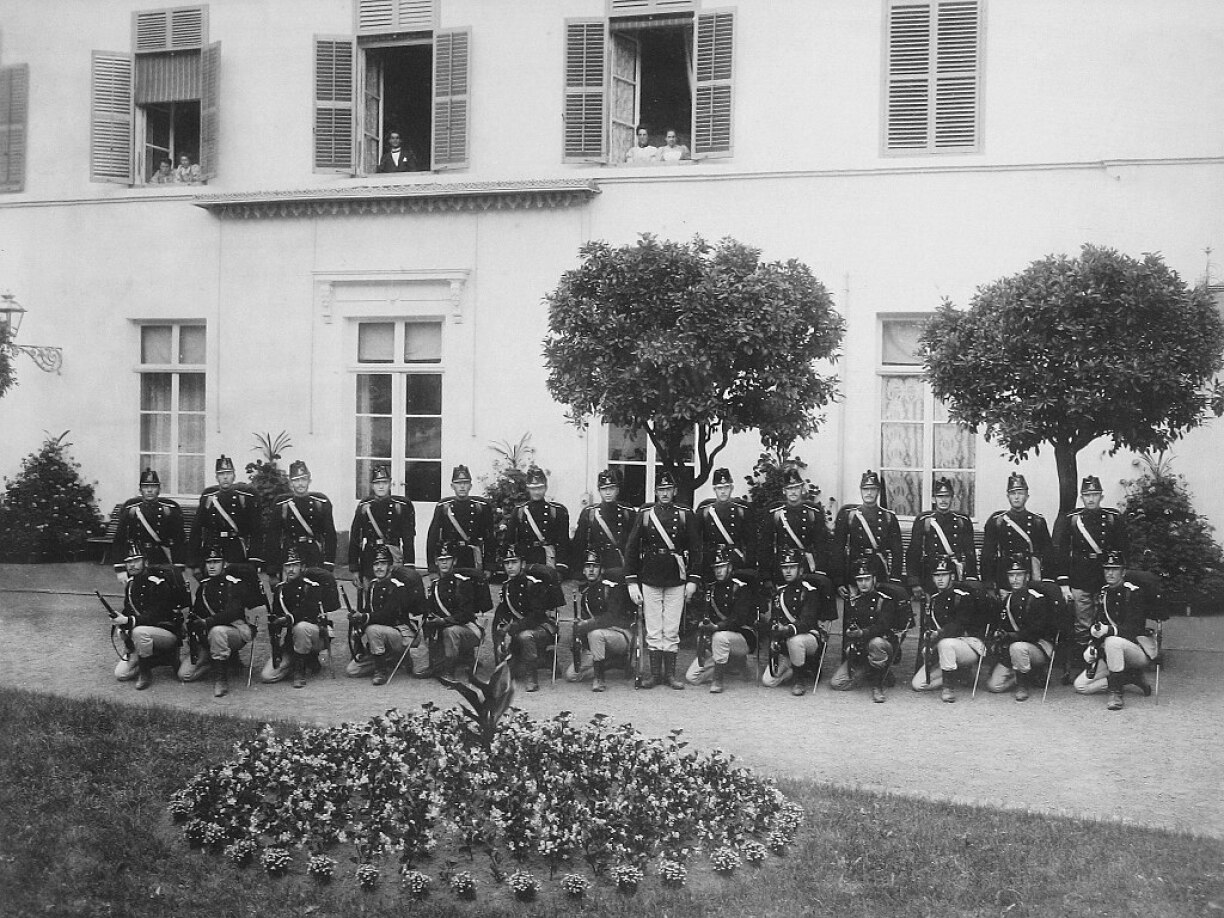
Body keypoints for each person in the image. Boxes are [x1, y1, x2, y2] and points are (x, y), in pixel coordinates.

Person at [624, 469, 703, 690]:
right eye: (661, 489)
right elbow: (631, 548)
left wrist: (693, 580)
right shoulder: (646, 514)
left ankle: (670, 675)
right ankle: (655, 675)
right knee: (653, 628)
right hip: (650, 575)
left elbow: (696, 549)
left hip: (676, 577)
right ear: (656, 491)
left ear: (675, 491)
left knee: (671, 628)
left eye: (668, 489)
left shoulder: (686, 514)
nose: (665, 493)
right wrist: (631, 581)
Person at [1052, 475, 1129, 679]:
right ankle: (1083, 663)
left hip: (1106, 577)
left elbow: (1123, 549)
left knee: (1106, 618)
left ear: (1101, 496)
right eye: (1087, 495)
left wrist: (1120, 577)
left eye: (1094, 494)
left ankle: (1106, 660)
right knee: (1082, 622)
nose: (1091, 499)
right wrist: (1064, 583)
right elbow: (1062, 552)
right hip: (1080, 576)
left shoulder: (1113, 518)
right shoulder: (1073, 519)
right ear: (1081, 497)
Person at [1074, 551, 1159, 710]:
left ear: (1123, 572)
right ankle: (1128, 678)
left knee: (1113, 641)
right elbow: (1100, 625)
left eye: (1114, 569)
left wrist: (1109, 630)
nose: (1110, 573)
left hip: (1135, 651)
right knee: (1081, 686)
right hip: (1112, 654)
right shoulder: (1103, 593)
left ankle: (1116, 692)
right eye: (1107, 569)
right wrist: (1093, 644)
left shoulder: (1134, 592)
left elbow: (1135, 628)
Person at [178, 543, 260, 697]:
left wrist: (207, 622)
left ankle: (221, 679)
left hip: (234, 633)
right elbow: (197, 613)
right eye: (209, 562)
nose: (212, 566)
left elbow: (233, 612)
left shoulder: (235, 584)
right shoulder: (204, 586)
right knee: (184, 675)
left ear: (225, 564)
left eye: (216, 562)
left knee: (217, 631)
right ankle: (214, 662)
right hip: (210, 637)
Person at [110, 542, 186, 690]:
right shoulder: (131, 584)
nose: (132, 565)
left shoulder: (158, 583)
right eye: (128, 562)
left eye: (136, 560)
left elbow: (157, 615)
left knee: (138, 632)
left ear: (146, 562)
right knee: (121, 674)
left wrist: (129, 621)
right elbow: (129, 609)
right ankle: (154, 660)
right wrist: (120, 621)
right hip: (144, 635)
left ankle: (146, 673)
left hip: (166, 633)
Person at [984, 554, 1059, 701]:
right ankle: (1028, 674)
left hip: (1038, 647)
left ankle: (1022, 686)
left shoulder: (1038, 598)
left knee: (1018, 647)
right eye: (1011, 575)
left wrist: (1013, 636)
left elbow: (1038, 631)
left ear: (1027, 576)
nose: (1015, 579)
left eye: (1019, 574)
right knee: (994, 686)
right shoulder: (1007, 599)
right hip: (1015, 648)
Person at [910, 556, 985, 703]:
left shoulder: (963, 596)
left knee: (946, 644)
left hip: (967, 645)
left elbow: (959, 626)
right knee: (918, 684)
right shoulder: (934, 599)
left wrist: (938, 634)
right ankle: (956, 674)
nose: (940, 579)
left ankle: (948, 688)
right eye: (937, 575)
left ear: (952, 576)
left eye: (944, 575)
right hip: (945, 648)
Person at [763, 548, 835, 696]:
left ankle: (799, 680)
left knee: (795, 641)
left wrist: (786, 630)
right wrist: (772, 628)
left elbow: (807, 622)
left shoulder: (810, 591)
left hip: (808, 639)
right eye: (784, 568)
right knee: (768, 681)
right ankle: (798, 667)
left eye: (792, 567)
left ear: (800, 569)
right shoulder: (780, 593)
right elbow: (774, 619)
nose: (788, 571)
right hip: (786, 642)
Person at [830, 559, 905, 702]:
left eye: (867, 579)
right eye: (859, 580)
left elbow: (882, 626)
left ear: (874, 579)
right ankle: (875, 671)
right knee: (837, 683)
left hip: (884, 646)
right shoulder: (854, 602)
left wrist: (862, 633)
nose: (863, 583)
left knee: (876, 643)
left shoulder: (885, 601)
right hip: (862, 650)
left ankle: (877, 686)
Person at [343, 545, 419, 685]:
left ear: (390, 567)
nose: (379, 568)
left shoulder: (398, 586)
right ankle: (390, 658)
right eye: (376, 564)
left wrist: (365, 618)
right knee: (352, 670)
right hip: (380, 635)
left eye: (383, 564)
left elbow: (388, 615)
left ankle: (381, 671)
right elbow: (368, 610)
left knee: (373, 630)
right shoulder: (372, 585)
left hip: (399, 634)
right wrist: (357, 616)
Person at [689, 545, 761, 693]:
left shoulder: (741, 588)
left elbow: (739, 620)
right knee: (692, 678)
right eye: (716, 568)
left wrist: (716, 627)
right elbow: (705, 614)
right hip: (718, 639)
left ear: (730, 567)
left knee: (720, 637)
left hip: (742, 638)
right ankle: (729, 663)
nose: (718, 571)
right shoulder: (712, 589)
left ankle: (718, 679)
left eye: (722, 567)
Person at [416, 540, 488, 680]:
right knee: (428, 623)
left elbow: (466, 614)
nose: (444, 563)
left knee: (451, 631)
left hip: (467, 628)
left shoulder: (463, 582)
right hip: (446, 626)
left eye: (447, 559)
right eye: (441, 559)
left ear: (454, 561)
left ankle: (449, 671)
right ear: (436, 562)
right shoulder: (435, 584)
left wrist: (444, 620)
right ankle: (434, 665)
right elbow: (429, 609)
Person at [260, 548, 332, 688]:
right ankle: (301, 660)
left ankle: (300, 672)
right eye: (287, 566)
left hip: (315, 635)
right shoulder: (280, 590)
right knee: (267, 676)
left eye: (295, 565)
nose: (291, 569)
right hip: (293, 641)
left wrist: (287, 619)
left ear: (303, 567)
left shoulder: (312, 587)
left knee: (301, 627)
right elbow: (277, 617)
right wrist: (275, 626)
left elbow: (309, 611)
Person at [566, 550, 636, 691]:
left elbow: (612, 617)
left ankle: (599, 679)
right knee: (572, 675)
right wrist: (578, 637)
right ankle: (610, 663)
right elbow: (585, 625)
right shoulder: (585, 593)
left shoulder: (611, 588)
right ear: (583, 571)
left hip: (620, 636)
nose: (591, 570)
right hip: (598, 640)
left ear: (602, 569)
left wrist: (587, 625)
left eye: (595, 566)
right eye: (587, 566)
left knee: (595, 633)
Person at [491, 545, 557, 692]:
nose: (510, 566)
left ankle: (532, 677)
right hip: (519, 630)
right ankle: (545, 659)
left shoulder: (533, 584)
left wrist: (512, 628)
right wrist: (501, 632)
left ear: (522, 564)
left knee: (525, 636)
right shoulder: (506, 587)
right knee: (513, 671)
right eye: (507, 563)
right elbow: (502, 614)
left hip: (541, 629)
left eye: (514, 562)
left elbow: (537, 616)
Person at [831, 470, 903, 596]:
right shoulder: (850, 515)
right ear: (861, 490)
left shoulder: (888, 517)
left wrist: (894, 578)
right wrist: (839, 580)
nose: (869, 493)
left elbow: (897, 551)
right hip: (855, 571)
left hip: (879, 571)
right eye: (865, 489)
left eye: (873, 489)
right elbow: (838, 549)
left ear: (878, 491)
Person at [905, 476, 978, 600]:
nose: (943, 500)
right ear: (934, 499)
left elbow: (969, 552)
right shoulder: (924, 520)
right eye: (940, 496)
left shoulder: (962, 521)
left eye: (947, 496)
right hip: (930, 574)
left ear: (952, 498)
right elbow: (914, 551)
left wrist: (971, 577)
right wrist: (915, 582)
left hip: (955, 574)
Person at [980, 472, 1052, 597]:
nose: (1017, 497)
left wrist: (1047, 579)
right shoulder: (997, 521)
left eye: (1020, 493)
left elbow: (1047, 552)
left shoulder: (1037, 521)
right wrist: (989, 583)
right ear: (1008, 496)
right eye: (1013, 494)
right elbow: (988, 554)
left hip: (1030, 572)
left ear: (1027, 496)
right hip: (1005, 573)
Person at [188, 455, 262, 574]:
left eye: (228, 473)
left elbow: (256, 530)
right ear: (217, 477)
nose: (225, 477)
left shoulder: (244, 497)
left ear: (234, 476)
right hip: (213, 548)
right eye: (221, 474)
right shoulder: (208, 498)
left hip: (236, 549)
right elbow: (196, 529)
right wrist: (194, 561)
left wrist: (254, 559)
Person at [348, 464, 416, 586]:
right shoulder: (364, 506)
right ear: (372, 485)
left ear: (390, 484)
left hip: (392, 557)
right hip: (370, 556)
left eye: (384, 482)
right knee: (369, 593)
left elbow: (408, 538)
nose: (381, 486)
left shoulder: (401, 506)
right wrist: (355, 569)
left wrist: (409, 565)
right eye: (377, 483)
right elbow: (355, 538)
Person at [266, 460, 336, 572]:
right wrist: (272, 568)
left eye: (303, 479)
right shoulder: (282, 506)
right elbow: (273, 538)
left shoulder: (320, 504)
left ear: (309, 480)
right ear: (290, 483)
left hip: (314, 555)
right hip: (291, 555)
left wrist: (328, 562)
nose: (300, 484)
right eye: (296, 480)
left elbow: (330, 535)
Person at [112, 468, 185, 576]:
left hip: (162, 559)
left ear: (159, 489)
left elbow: (179, 540)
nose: (149, 490)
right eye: (145, 487)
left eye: (153, 486)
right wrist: (120, 569)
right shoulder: (131, 510)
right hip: (138, 559)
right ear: (140, 490)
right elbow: (119, 540)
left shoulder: (170, 510)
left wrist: (179, 567)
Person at [765, 468, 831, 582]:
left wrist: (821, 569)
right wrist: (766, 572)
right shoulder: (776, 512)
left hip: (805, 564)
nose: (793, 492)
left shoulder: (813, 512)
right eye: (789, 488)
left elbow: (821, 544)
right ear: (784, 491)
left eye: (796, 488)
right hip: (783, 565)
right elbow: (766, 545)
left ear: (802, 489)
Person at [426, 464, 494, 572]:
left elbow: (489, 538)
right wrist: (432, 567)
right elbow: (432, 537)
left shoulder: (481, 506)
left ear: (470, 486)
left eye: (465, 483)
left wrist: (489, 565)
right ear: (452, 486)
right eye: (458, 483)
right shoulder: (443, 506)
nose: (462, 486)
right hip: (450, 557)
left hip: (473, 558)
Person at [508, 466, 571, 576]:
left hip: (548, 560)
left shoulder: (557, 512)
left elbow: (563, 542)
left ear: (546, 488)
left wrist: (561, 567)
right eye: (533, 488)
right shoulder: (519, 512)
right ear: (528, 489)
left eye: (540, 488)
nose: (537, 492)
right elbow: (510, 541)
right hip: (526, 560)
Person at [572, 468, 635, 575]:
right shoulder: (590, 513)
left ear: (618, 490)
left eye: (612, 488)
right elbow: (579, 544)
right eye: (604, 489)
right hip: (597, 566)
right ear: (599, 491)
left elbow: (633, 544)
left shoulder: (627, 512)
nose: (608, 492)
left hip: (620, 565)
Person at [697, 467, 755, 577]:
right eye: (719, 488)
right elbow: (698, 541)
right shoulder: (704, 510)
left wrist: (748, 564)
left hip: (735, 558)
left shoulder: (742, 510)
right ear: (714, 489)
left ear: (732, 488)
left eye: (726, 487)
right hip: (712, 559)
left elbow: (751, 541)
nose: (723, 491)